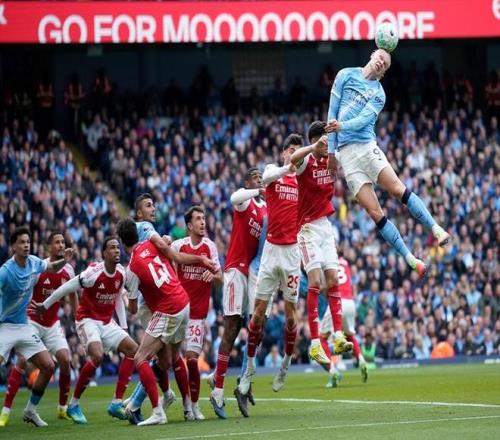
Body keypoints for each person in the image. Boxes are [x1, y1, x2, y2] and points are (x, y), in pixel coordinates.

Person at [326, 49, 450, 276]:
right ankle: (410, 258)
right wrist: (331, 152)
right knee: (375, 213)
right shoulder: (345, 75)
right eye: (380, 58)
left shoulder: (378, 93)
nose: (381, 63)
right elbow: (332, 112)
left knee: (397, 190)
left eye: (385, 64)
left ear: (384, 72)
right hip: (346, 156)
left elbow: (363, 120)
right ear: (372, 55)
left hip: (366, 147)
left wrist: (341, 126)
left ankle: (436, 228)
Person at [125, 193, 216, 424]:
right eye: (149, 206)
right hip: (173, 301)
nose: (153, 209)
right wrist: (198, 259)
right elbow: (172, 254)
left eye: (153, 205)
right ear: (138, 215)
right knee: (169, 359)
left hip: (162, 304)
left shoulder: (141, 248)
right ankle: (181, 405)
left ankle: (150, 404)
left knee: (152, 358)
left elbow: (170, 253)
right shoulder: (148, 234)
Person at [31, 237, 138, 425]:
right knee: (97, 356)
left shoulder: (121, 273)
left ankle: (116, 402)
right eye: (112, 248)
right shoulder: (92, 273)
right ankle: (73, 404)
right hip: (87, 319)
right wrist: (45, 305)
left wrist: (123, 328)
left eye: (118, 247)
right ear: (104, 253)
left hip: (106, 322)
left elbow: (118, 299)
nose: (116, 250)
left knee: (133, 350)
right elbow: (66, 287)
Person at [236, 134, 302, 417]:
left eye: (298, 151)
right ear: (284, 152)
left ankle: (285, 364)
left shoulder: (302, 181)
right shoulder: (273, 172)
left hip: (291, 255)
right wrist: (287, 166)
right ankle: (248, 373)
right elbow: (266, 176)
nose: (294, 154)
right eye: (291, 150)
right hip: (271, 253)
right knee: (257, 315)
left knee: (291, 317)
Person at [290, 122, 353, 366]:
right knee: (315, 281)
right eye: (323, 142)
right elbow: (293, 158)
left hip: (325, 226)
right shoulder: (306, 162)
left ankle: (338, 336)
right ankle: (315, 344)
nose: (327, 146)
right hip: (306, 228)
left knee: (333, 280)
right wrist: (312, 147)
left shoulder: (330, 160)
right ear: (315, 141)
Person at [117, 218, 190, 426]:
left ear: (122, 242)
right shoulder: (151, 244)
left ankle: (157, 411)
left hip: (169, 308)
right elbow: (166, 248)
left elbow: (132, 310)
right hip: (184, 301)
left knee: (140, 358)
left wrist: (124, 296)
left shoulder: (131, 269)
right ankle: (185, 406)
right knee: (165, 360)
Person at [208, 167, 267, 419]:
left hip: (253, 274)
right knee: (231, 327)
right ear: (247, 182)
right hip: (235, 270)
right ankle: (218, 390)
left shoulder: (266, 210)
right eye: (255, 177)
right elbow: (234, 197)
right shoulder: (245, 202)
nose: (260, 180)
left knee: (257, 326)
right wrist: (256, 190)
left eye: (261, 177)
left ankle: (244, 379)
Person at [0, 226, 73, 428]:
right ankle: (5, 411)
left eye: (27, 242)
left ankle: (30, 411)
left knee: (49, 366)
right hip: (5, 326)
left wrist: (65, 260)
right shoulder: (6, 271)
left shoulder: (34, 262)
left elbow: (52, 267)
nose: (26, 245)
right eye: (21, 242)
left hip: (24, 326)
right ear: (13, 246)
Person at [171, 205, 222, 420]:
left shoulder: (210, 247)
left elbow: (221, 276)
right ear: (189, 225)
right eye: (198, 219)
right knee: (170, 360)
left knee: (192, 360)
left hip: (198, 315)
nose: (203, 222)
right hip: (177, 312)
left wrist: (213, 276)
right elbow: (170, 264)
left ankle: (194, 405)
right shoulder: (178, 246)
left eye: (204, 218)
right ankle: (183, 403)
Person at [319, 256, 367, 387]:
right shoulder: (345, 263)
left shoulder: (327, 262)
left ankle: (333, 371)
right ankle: (361, 360)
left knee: (321, 340)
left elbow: (326, 285)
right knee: (349, 335)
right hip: (350, 302)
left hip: (337, 301)